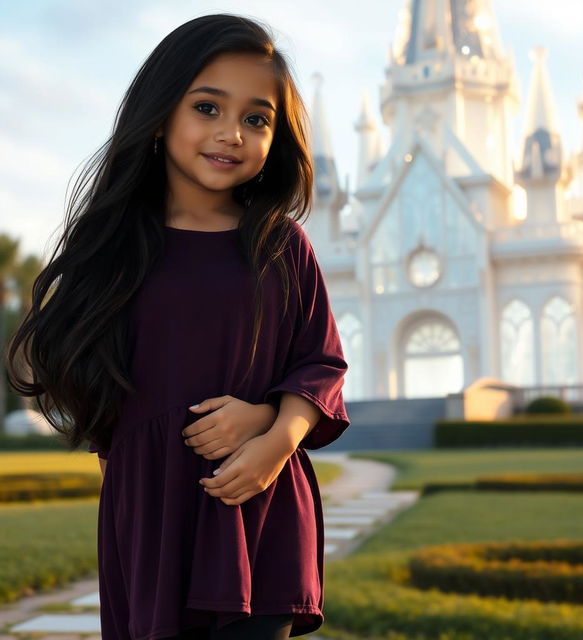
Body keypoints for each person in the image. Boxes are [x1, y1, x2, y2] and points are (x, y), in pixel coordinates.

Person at [5, 13, 350, 640]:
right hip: (153, 518)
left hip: (260, 512)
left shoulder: (281, 245)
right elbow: (75, 366)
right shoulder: (111, 249)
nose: (231, 134)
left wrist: (274, 429)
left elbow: (321, 362)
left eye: (255, 118)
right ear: (161, 115)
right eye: (208, 108)